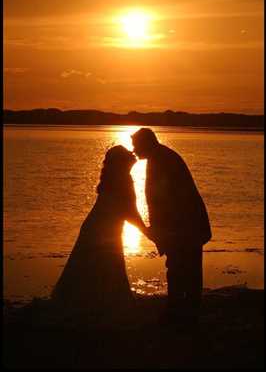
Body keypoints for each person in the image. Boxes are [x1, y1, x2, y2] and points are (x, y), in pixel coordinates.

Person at [51, 145, 150, 326]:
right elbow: (129, 211)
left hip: (96, 227)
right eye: (128, 153)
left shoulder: (113, 178)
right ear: (122, 162)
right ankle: (103, 307)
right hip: (105, 230)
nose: (133, 153)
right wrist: (147, 231)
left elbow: (126, 211)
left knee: (90, 267)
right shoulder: (123, 180)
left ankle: (86, 305)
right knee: (105, 266)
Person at [131, 128, 212, 329]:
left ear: (146, 143)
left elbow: (165, 200)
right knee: (182, 269)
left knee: (184, 270)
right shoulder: (160, 158)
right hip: (183, 225)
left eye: (136, 145)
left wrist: (161, 231)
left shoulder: (162, 160)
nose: (134, 150)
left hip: (185, 225)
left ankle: (182, 314)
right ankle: (182, 312)